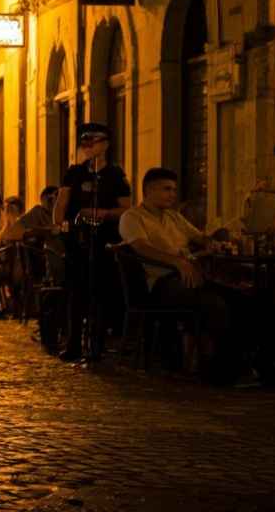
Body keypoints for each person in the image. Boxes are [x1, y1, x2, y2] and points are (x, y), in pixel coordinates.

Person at [119, 168, 233, 378]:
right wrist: (177, 262)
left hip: (188, 275)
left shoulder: (174, 217)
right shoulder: (132, 217)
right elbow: (141, 247)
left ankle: (231, 364)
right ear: (149, 190)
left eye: (174, 190)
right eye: (167, 189)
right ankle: (218, 370)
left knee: (237, 296)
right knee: (215, 304)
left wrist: (212, 243)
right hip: (159, 283)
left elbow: (200, 237)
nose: (173, 194)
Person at [53, 123, 132, 362]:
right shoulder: (74, 173)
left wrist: (103, 214)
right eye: (84, 140)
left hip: (105, 242)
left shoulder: (116, 176)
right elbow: (62, 202)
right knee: (75, 291)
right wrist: (59, 224)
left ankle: (97, 344)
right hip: (78, 240)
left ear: (106, 144)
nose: (87, 144)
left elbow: (126, 209)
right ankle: (73, 343)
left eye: (93, 140)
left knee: (101, 291)